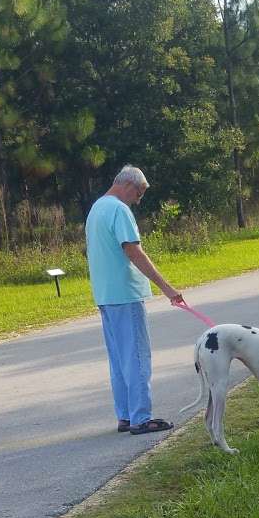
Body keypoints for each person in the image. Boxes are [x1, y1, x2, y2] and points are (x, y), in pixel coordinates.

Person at [84, 165, 185, 434]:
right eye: (139, 194)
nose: (138, 201)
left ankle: (126, 415)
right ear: (128, 185)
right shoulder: (119, 209)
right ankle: (141, 417)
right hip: (125, 294)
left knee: (119, 360)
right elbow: (134, 251)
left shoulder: (97, 208)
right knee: (137, 357)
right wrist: (167, 288)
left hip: (106, 296)